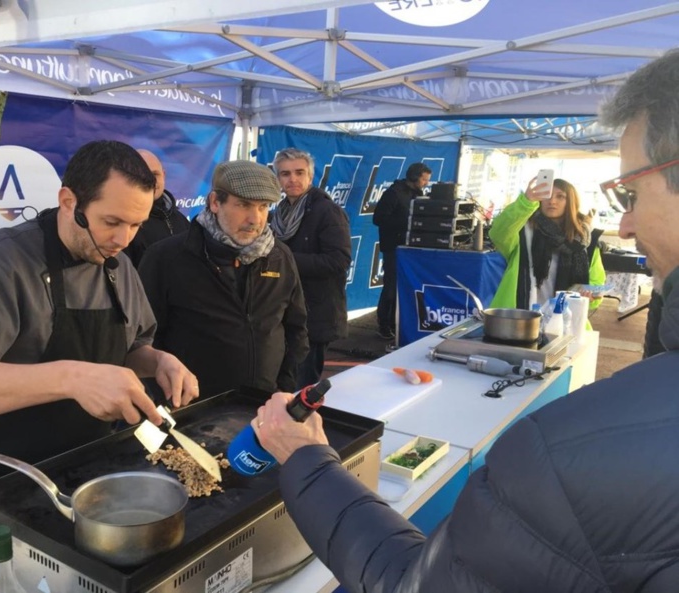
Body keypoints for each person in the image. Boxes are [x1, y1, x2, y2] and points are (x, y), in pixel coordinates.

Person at [246, 49, 679, 591]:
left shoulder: (564, 454)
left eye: (632, 192)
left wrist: (309, 460)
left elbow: (418, 581)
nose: (630, 223)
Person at [0, 140, 199, 566]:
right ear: (68, 200)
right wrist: (71, 377)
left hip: (75, 488)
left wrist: (158, 361)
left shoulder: (118, 267)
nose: (123, 239)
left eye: (136, 225)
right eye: (111, 221)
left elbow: (133, 345)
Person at [139, 159, 308, 400]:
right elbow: (145, 338)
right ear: (215, 202)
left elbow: (296, 328)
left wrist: (284, 385)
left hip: (263, 405)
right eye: (244, 205)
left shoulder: (280, 256)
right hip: (192, 410)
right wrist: (168, 397)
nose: (255, 219)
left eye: (263, 207)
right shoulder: (166, 258)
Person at [270, 148, 351, 388]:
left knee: (301, 390)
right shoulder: (277, 213)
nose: (292, 179)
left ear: (310, 176)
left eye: (299, 172)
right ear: (278, 178)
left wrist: (285, 259)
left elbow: (339, 261)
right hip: (283, 312)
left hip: (314, 316)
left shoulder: (328, 211)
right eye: (285, 173)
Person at [489, 177, 606, 312]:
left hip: (565, 322)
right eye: (546, 196)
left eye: (560, 196)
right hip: (519, 318)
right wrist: (526, 202)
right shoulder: (521, 232)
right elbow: (498, 233)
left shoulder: (586, 240)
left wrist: (590, 296)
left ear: (571, 202)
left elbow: (596, 284)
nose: (552, 201)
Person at [372, 163, 431, 339]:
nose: (426, 183)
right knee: (391, 287)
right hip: (394, 247)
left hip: (410, 247)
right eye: (424, 179)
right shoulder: (394, 193)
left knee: (404, 287)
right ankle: (384, 323)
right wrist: (405, 223)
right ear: (414, 177)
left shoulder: (419, 194)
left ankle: (396, 321)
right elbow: (379, 218)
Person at [123, 149, 190, 268]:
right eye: (142, 175)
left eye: (155, 174)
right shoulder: (124, 223)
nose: (150, 181)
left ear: (163, 175)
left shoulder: (180, 219)